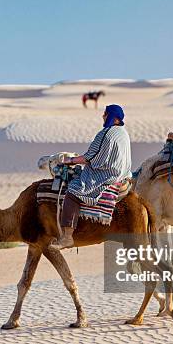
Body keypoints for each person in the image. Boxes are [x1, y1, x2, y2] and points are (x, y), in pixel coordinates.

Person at [50, 104, 132, 249]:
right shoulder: (123, 133)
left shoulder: (106, 133)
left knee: (73, 191)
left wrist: (69, 161)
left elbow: (89, 157)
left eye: (105, 114)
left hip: (106, 175)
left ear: (113, 118)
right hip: (123, 175)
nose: (103, 116)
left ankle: (67, 237)